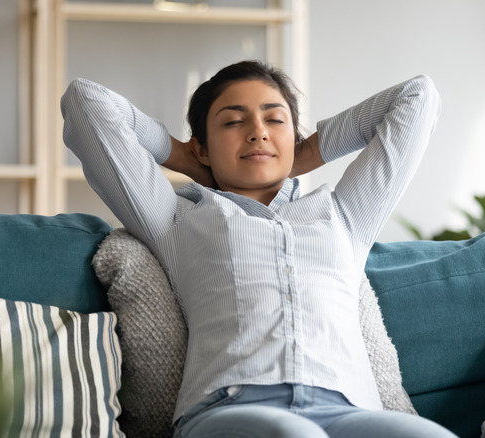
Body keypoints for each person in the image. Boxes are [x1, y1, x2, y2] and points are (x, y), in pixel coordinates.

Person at [61, 60, 452, 437]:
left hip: (348, 410)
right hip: (231, 407)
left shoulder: (345, 215)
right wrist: (184, 156)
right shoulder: (175, 219)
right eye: (233, 121)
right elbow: (85, 102)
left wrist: (306, 153)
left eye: (275, 119)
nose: (257, 132)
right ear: (203, 147)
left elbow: (417, 97)